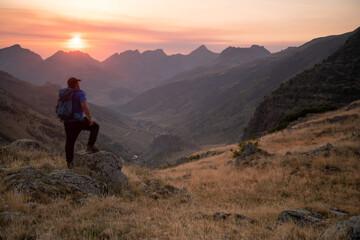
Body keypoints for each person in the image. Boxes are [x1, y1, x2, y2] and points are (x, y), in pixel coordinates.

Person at [62, 77, 100, 169]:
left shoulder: (64, 93)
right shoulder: (79, 93)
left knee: (70, 142)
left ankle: (70, 163)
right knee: (95, 126)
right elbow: (83, 105)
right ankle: (90, 146)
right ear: (75, 84)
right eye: (78, 83)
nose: (79, 85)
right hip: (77, 121)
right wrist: (89, 118)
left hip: (67, 122)